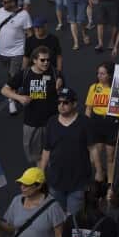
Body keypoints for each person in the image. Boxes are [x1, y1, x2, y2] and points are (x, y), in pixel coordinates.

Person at [2, 45, 62, 164]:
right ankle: (40, 179)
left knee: (53, 155)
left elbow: (64, 97)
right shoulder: (25, 74)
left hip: (51, 123)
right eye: (42, 60)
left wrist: (60, 89)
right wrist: (19, 97)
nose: (46, 63)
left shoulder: (55, 74)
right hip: (32, 123)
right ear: (34, 60)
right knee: (35, 156)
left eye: (48, 60)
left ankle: (47, 179)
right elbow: (4, 90)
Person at [39, 86, 91, 215]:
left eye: (65, 102)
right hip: (56, 181)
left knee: (73, 220)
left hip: (78, 182)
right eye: (59, 102)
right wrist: (40, 171)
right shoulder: (51, 122)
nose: (61, 105)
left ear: (74, 104)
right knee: (57, 216)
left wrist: (99, 172)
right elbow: (46, 150)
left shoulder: (84, 122)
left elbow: (93, 149)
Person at [0, 168, 67, 237]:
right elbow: (11, 229)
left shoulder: (53, 206)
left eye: (27, 184)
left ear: (39, 186)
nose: (22, 187)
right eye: (21, 183)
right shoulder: (16, 201)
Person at [84, 62, 119, 187]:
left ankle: (110, 182)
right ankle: (100, 171)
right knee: (93, 156)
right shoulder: (93, 87)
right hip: (96, 122)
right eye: (98, 73)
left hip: (112, 122)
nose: (99, 76)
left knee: (110, 156)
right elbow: (88, 108)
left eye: (102, 73)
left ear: (110, 75)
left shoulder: (118, 89)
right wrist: (85, 125)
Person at [0, 0, 34, 114]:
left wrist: (30, 50)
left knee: (12, 75)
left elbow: (29, 33)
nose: (3, 4)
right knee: (10, 74)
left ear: (14, 2)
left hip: (18, 52)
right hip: (3, 52)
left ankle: (12, 101)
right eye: (3, 2)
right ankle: (18, 89)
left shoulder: (24, 15)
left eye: (6, 2)